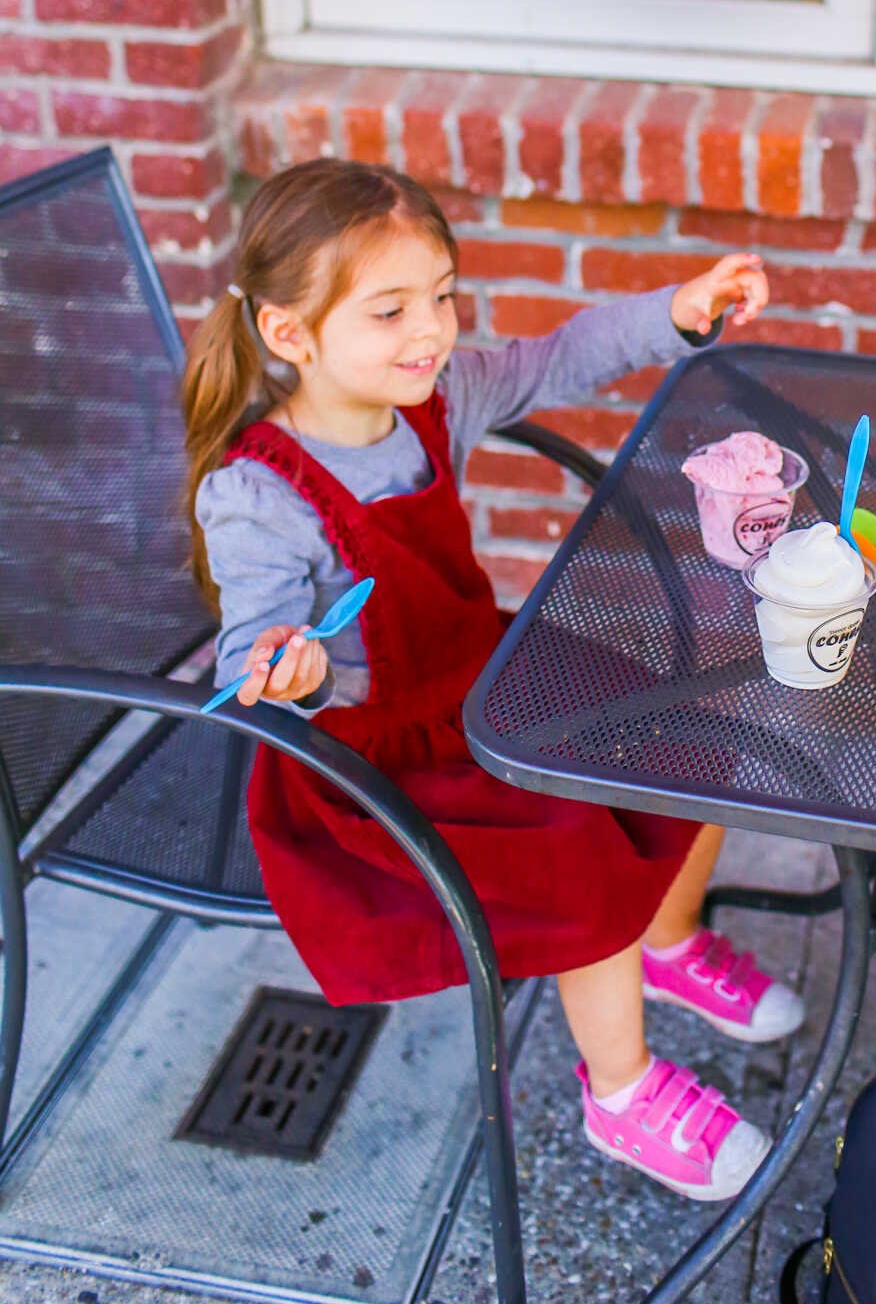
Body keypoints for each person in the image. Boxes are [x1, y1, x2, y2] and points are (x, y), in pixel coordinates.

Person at [182, 157, 805, 1205]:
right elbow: (254, 644)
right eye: (389, 310)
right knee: (572, 846)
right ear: (291, 333)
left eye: (440, 295)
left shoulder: (439, 396)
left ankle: (666, 938)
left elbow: (564, 354)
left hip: (484, 678)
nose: (430, 329)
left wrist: (679, 312)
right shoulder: (256, 491)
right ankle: (620, 1091)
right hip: (375, 754)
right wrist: (291, 664)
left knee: (690, 734)